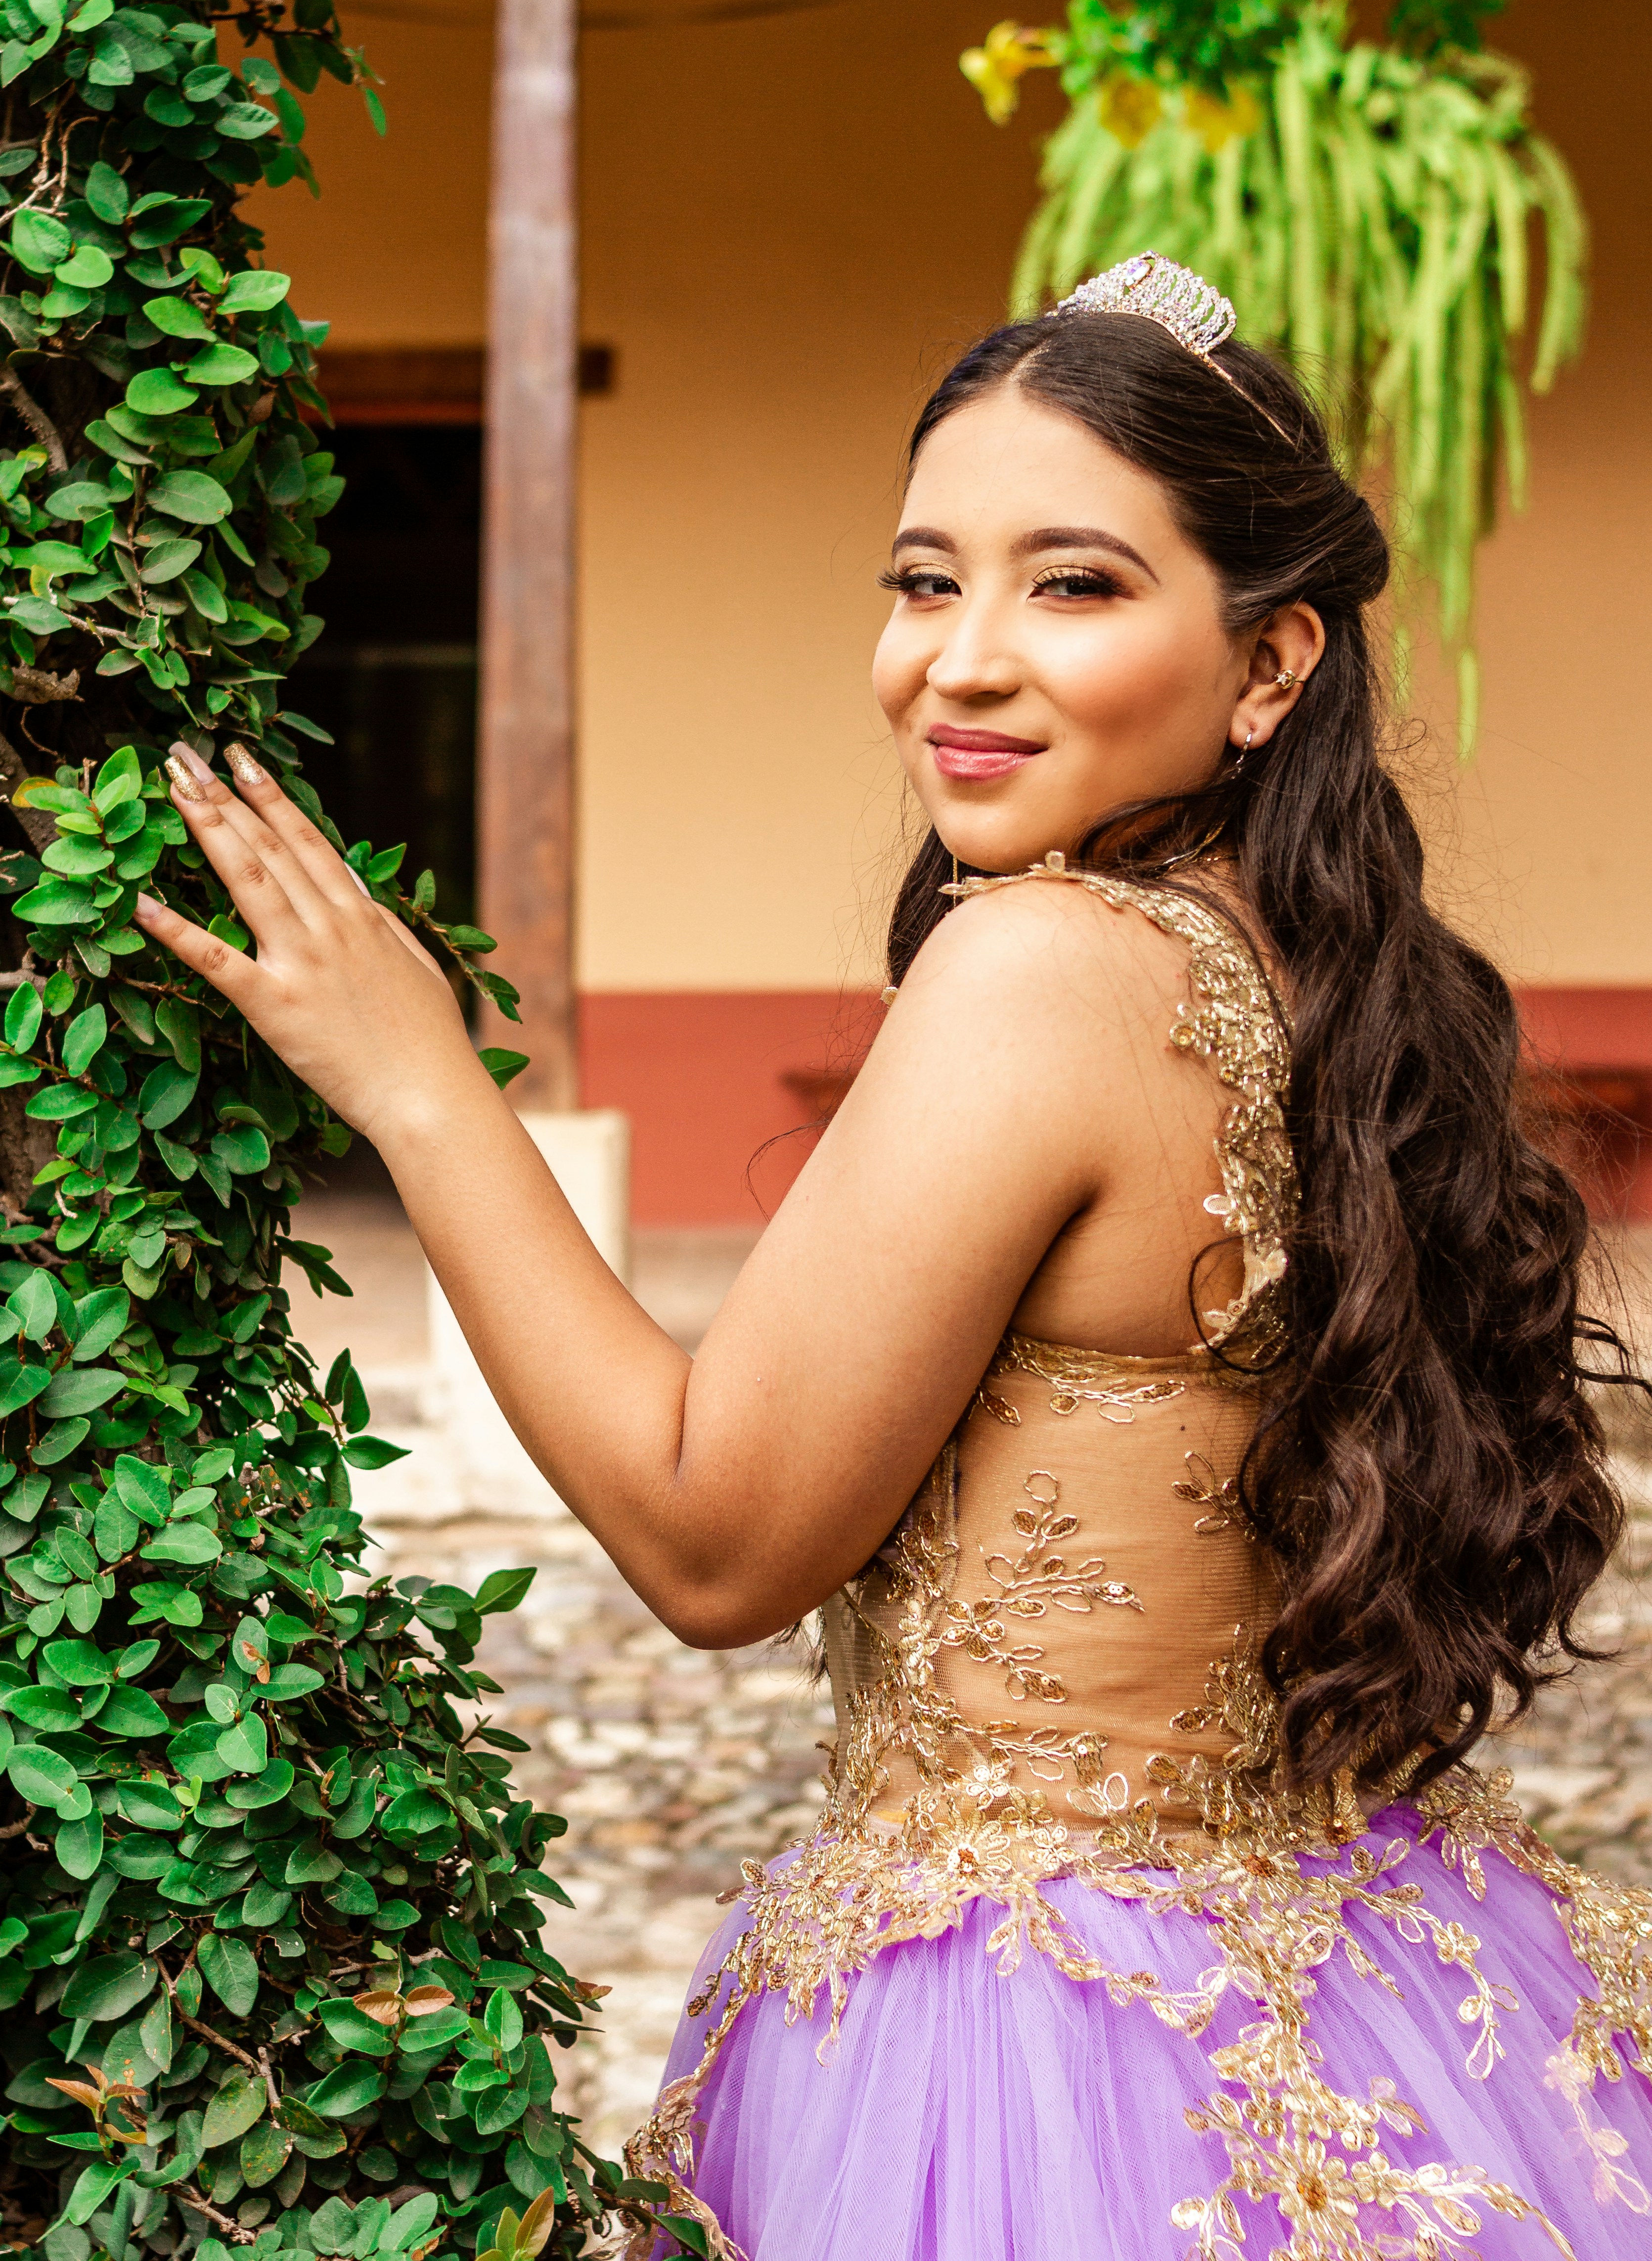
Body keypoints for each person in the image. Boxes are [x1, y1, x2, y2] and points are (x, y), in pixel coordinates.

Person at [138, 254, 1652, 2261]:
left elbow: (711, 1538)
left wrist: (416, 1084)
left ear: (1269, 660)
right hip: (1361, 1976)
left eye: (1075, 583)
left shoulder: (1037, 965)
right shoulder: (1323, 978)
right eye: (926, 577)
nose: (958, 658)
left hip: (1037, 2057)